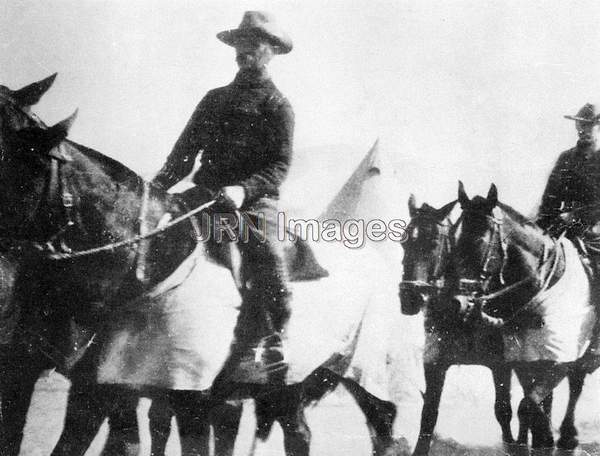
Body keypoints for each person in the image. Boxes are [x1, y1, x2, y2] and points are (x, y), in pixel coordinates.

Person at [151, 11, 294, 377]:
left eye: (255, 44)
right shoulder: (213, 99)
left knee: (269, 256)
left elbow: (279, 166)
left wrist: (243, 190)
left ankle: (273, 338)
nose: (245, 50)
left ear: (271, 51)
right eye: (241, 43)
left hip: (252, 203)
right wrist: (156, 190)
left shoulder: (278, 106)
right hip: (205, 195)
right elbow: (182, 155)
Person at [536, 102, 600, 373]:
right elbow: (550, 196)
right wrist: (542, 223)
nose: (583, 130)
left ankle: (597, 342)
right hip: (563, 228)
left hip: (595, 228)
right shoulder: (566, 158)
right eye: (580, 124)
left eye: (589, 125)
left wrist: (575, 216)